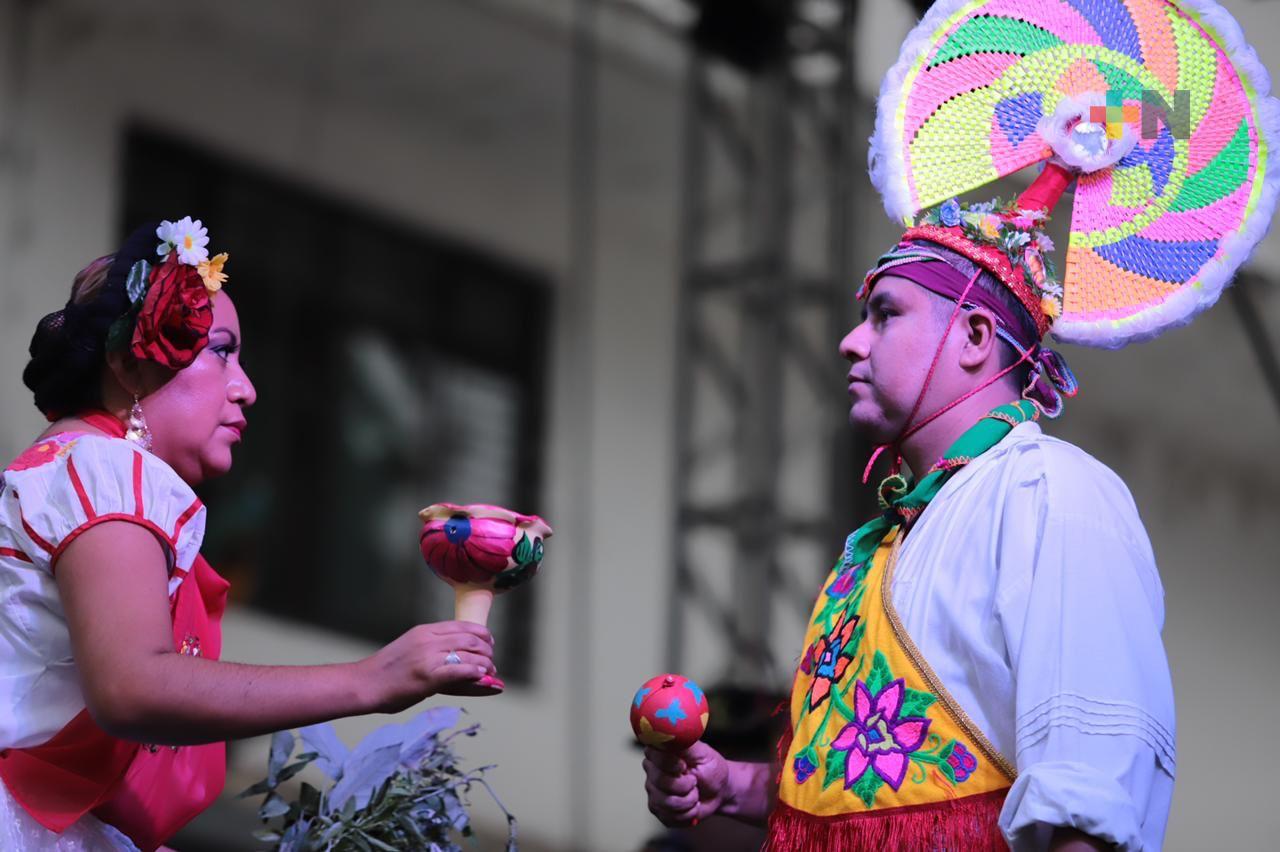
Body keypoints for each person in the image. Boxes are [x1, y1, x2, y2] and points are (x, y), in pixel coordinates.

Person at [640, 0, 1278, 845]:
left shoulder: (1054, 495)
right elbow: (872, 794)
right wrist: (742, 786)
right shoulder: (888, 539)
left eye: (884, 315)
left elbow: (1089, 788)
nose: (849, 341)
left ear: (976, 336)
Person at [0, 218, 502, 851]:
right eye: (221, 351)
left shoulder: (64, 466)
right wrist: (371, 680)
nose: (247, 389)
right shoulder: (108, 469)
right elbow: (132, 686)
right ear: (130, 364)